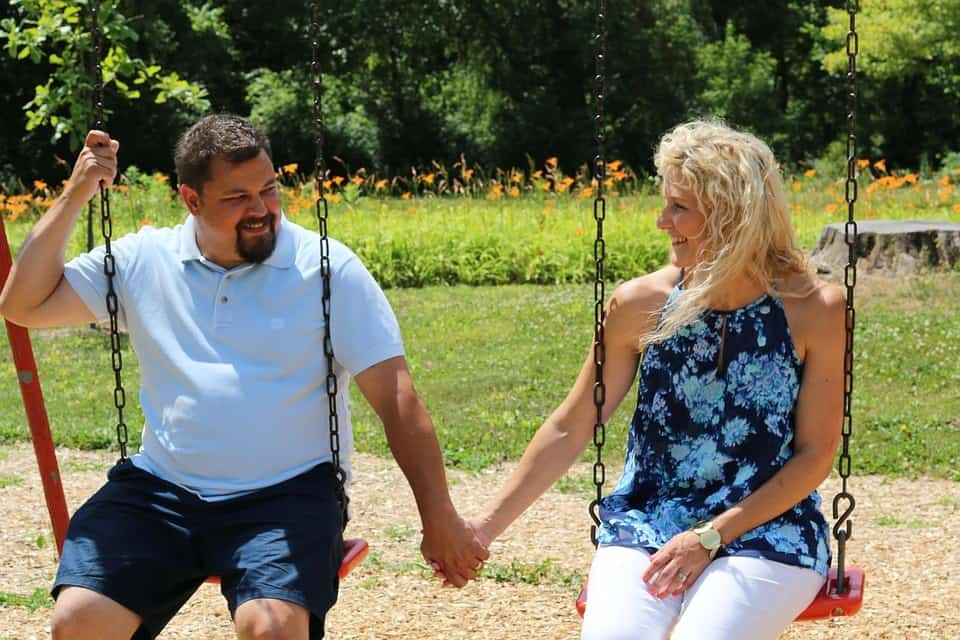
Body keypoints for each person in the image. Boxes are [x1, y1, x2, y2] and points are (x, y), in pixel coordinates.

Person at [0, 114, 488, 640]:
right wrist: (77, 193)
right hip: (163, 490)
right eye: (237, 197)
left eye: (270, 189)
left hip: (286, 495)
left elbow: (398, 400)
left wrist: (438, 516)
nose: (260, 210)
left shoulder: (325, 269)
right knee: (78, 621)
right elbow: (22, 305)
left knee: (271, 627)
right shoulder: (145, 259)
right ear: (191, 199)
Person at [458, 120, 845, 639]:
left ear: (733, 215)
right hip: (649, 523)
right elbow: (571, 426)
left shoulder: (814, 309)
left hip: (768, 529)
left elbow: (815, 455)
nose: (662, 221)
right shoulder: (639, 305)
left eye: (679, 207)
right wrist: (482, 531)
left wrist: (711, 536)